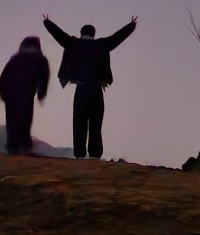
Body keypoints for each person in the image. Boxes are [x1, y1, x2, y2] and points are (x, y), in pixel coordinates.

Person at [42, 14, 137, 159]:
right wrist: (131, 26)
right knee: (95, 123)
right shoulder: (102, 45)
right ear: (94, 34)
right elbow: (117, 37)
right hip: (96, 89)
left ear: (81, 33)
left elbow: (59, 35)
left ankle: (80, 154)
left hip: (81, 89)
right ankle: (95, 154)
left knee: (79, 122)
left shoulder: (74, 43)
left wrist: (48, 22)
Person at [0, 36, 50, 155]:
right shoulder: (40, 59)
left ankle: (13, 146)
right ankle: (24, 146)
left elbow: (4, 77)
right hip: (26, 93)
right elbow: (44, 78)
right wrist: (41, 93)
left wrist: (3, 92)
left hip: (11, 93)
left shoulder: (15, 59)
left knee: (12, 120)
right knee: (25, 119)